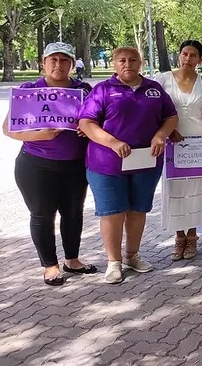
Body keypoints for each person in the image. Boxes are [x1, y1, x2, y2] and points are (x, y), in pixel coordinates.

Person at [78, 47, 178, 284]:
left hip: (145, 162)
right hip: (107, 164)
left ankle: (132, 255)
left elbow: (171, 117)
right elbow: (86, 122)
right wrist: (112, 142)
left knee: (137, 210)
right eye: (122, 60)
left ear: (140, 63)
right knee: (113, 213)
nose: (127, 64)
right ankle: (114, 262)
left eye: (133, 60)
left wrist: (160, 135)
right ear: (114, 64)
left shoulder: (154, 88)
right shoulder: (103, 90)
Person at [2, 42, 95, 286]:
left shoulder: (83, 90)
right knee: (42, 215)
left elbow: (98, 121)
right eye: (52, 60)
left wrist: (90, 130)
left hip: (74, 165)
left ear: (72, 65)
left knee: (73, 214)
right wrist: (40, 135)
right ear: (43, 64)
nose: (58, 65)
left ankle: (72, 260)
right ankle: (50, 265)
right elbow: (8, 129)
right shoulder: (29, 90)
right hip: (36, 164)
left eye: (64, 60)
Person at [155, 40, 202, 261]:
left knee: (197, 188)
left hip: (200, 141)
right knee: (175, 189)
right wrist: (167, 131)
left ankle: (192, 235)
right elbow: (156, 111)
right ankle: (178, 236)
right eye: (184, 54)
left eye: (193, 55)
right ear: (178, 55)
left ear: (200, 59)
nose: (188, 59)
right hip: (173, 142)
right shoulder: (162, 79)